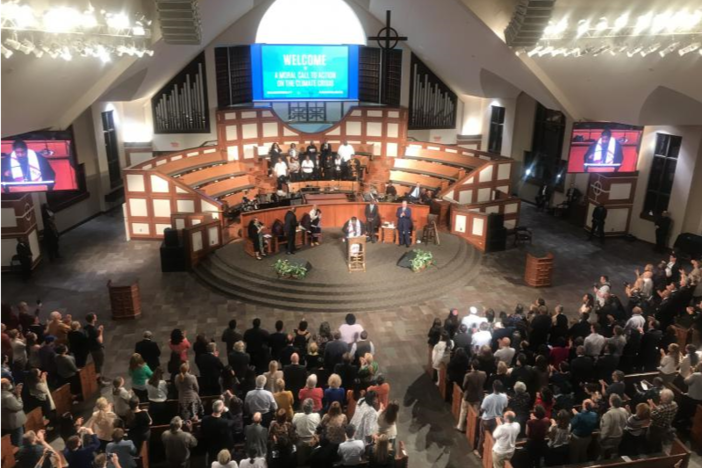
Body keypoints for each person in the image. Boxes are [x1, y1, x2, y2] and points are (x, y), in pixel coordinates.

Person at [477, 381, 508, 458]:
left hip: (487, 420)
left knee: (482, 436)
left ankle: (479, 452)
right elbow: (505, 407)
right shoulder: (504, 397)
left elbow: (482, 409)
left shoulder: (488, 398)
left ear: (493, 387)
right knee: (494, 438)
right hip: (498, 420)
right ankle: (491, 455)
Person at [201, 399, 237, 464]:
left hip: (210, 447)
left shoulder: (204, 419)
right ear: (222, 410)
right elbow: (233, 421)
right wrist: (228, 411)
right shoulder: (224, 422)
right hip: (222, 448)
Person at [457, 359, 487, 432]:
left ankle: (460, 426)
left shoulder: (468, 375)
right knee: (476, 413)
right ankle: (474, 428)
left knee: (464, 411)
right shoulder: (483, 374)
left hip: (468, 396)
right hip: (478, 396)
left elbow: (464, 386)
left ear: (472, 366)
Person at [1, 378, 26, 446]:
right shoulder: (7, 397)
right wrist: (18, 395)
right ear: (4, 386)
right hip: (15, 422)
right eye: (8, 383)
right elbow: (19, 406)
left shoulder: (4, 394)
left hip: (6, 422)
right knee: (18, 441)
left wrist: (14, 392)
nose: (10, 384)